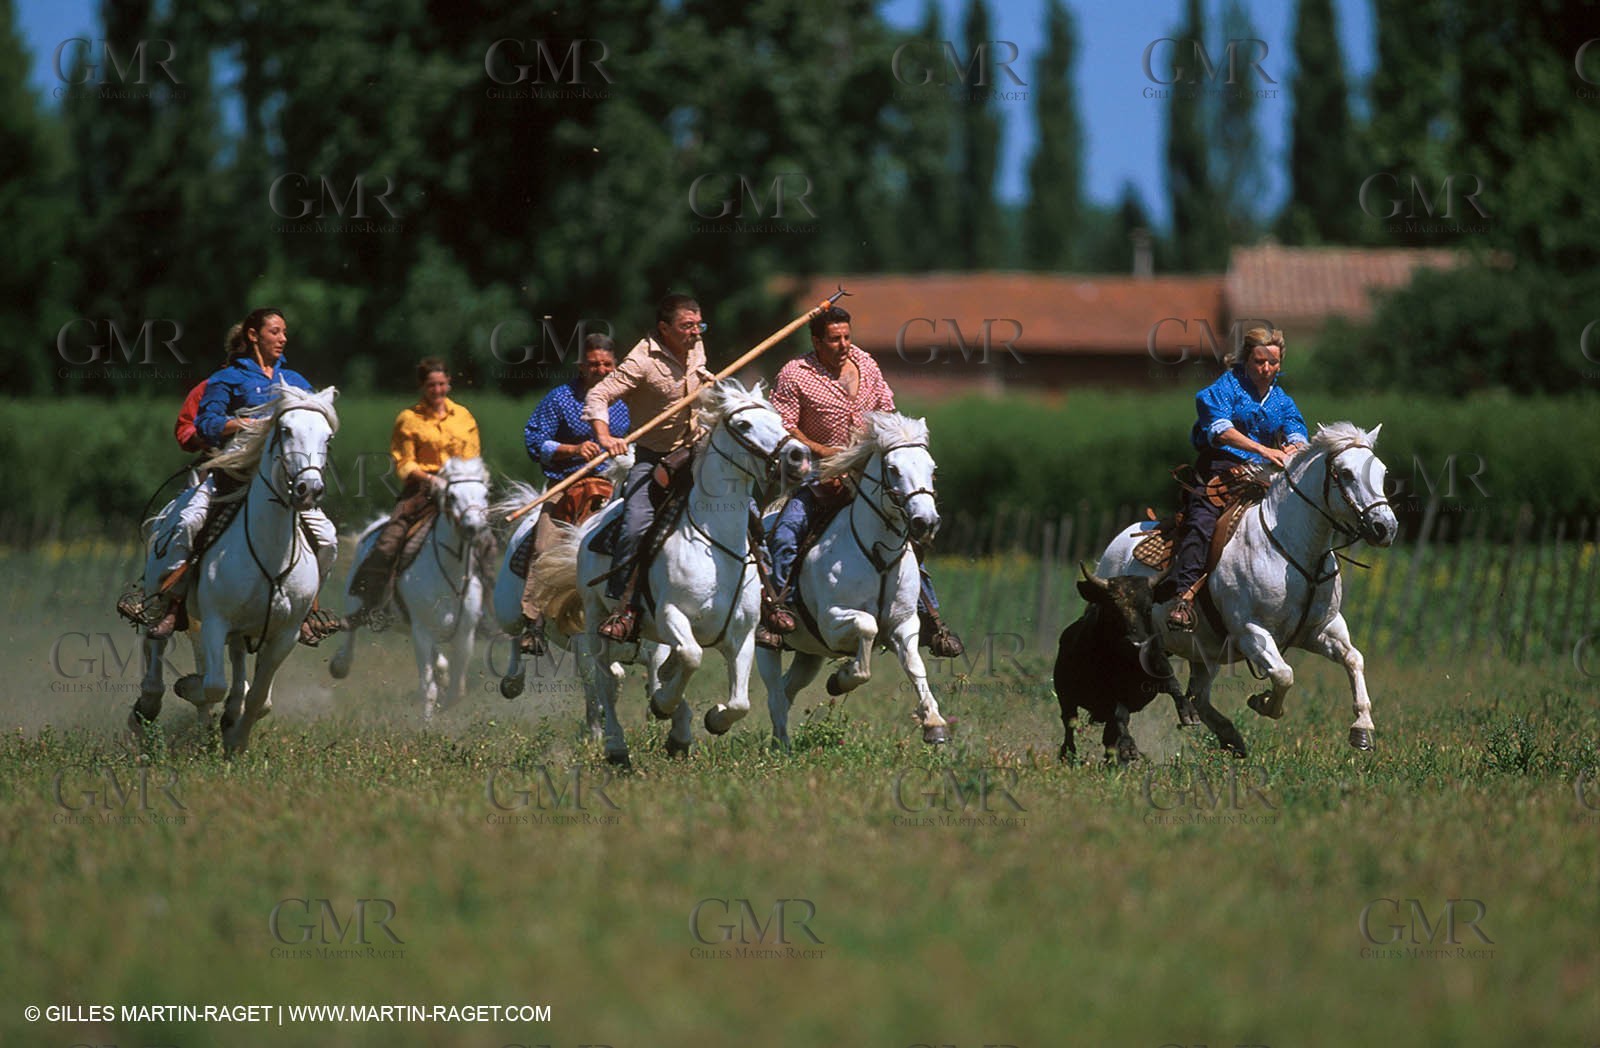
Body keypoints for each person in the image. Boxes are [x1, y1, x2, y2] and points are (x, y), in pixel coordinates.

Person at [119, 307, 339, 644]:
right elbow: (205, 425)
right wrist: (243, 424)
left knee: (328, 539)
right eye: (275, 332)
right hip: (232, 475)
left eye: (284, 332)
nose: (283, 338)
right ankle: (171, 603)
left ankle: (306, 608)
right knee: (189, 522)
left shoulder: (295, 382)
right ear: (253, 336)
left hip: (283, 484)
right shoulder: (226, 379)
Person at [766, 305, 964, 657]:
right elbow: (784, 426)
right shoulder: (794, 373)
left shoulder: (866, 363)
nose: (843, 344)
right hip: (816, 472)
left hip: (868, 473)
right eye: (834, 339)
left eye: (846, 336)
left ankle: (930, 619)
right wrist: (825, 453)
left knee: (905, 538)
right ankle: (779, 611)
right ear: (816, 341)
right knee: (785, 533)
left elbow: (887, 411)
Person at [584, 293, 720, 642]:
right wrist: (605, 436)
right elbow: (598, 396)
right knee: (634, 526)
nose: (694, 332)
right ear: (664, 328)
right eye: (686, 326)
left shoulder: (697, 345)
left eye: (698, 325)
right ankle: (624, 607)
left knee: (747, 509)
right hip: (654, 458)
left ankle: (768, 599)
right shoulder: (640, 361)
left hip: (700, 451)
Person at [1161, 326, 1308, 632]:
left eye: (1273, 363)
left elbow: (1297, 433)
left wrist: (1294, 446)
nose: (1266, 369)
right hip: (1220, 470)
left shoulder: (1282, 401)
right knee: (1201, 521)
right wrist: (1263, 449)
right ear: (1245, 360)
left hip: (1266, 475)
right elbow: (1220, 431)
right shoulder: (1223, 389)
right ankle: (1183, 597)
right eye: (1259, 362)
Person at [347, 357, 486, 626]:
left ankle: (485, 608)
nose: (437, 390)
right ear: (422, 386)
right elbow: (404, 462)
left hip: (460, 489)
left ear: (449, 384)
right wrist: (431, 480)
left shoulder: (464, 417)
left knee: (487, 543)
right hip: (421, 490)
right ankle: (369, 603)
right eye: (432, 385)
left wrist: (459, 480)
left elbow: (473, 457)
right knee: (389, 541)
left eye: (442, 384)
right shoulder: (408, 419)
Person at [516, 334, 630, 655]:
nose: (601, 370)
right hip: (566, 483)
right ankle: (533, 623)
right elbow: (536, 441)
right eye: (594, 364)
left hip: (612, 484)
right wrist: (574, 449)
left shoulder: (626, 401)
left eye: (607, 364)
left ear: (616, 366)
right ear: (581, 366)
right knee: (544, 545)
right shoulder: (560, 399)